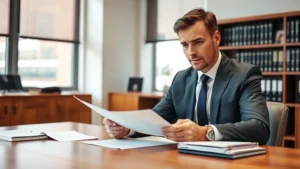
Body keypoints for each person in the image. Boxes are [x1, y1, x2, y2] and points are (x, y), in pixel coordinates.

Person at [103, 8, 270, 144]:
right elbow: (154, 120)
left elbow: (259, 127)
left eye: (198, 42)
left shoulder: (244, 74)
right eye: (184, 45)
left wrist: (206, 132)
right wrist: (127, 128)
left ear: (216, 38)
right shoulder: (181, 79)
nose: (191, 53)